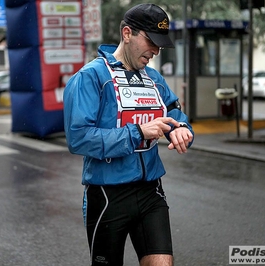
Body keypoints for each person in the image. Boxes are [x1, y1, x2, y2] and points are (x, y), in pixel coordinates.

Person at [63, 3, 194, 266]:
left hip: (150, 191)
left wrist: (182, 130)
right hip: (108, 194)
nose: (156, 51)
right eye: (151, 41)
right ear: (127, 33)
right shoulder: (91, 77)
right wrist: (137, 132)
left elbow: (174, 112)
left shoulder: (154, 79)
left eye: (160, 45)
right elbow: (78, 137)